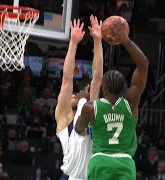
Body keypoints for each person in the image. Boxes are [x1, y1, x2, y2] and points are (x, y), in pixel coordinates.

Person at [75, 17, 149, 180]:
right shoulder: (130, 102)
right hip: (125, 163)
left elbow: (78, 128)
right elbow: (143, 65)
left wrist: (83, 124)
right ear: (124, 87)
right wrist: (125, 40)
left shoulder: (90, 108)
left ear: (104, 88)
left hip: (100, 162)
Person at [55, 15, 104, 180]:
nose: (74, 94)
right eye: (72, 94)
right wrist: (73, 43)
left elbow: (97, 78)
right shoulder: (64, 117)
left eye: (77, 93)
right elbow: (67, 78)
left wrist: (98, 42)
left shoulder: (91, 111)